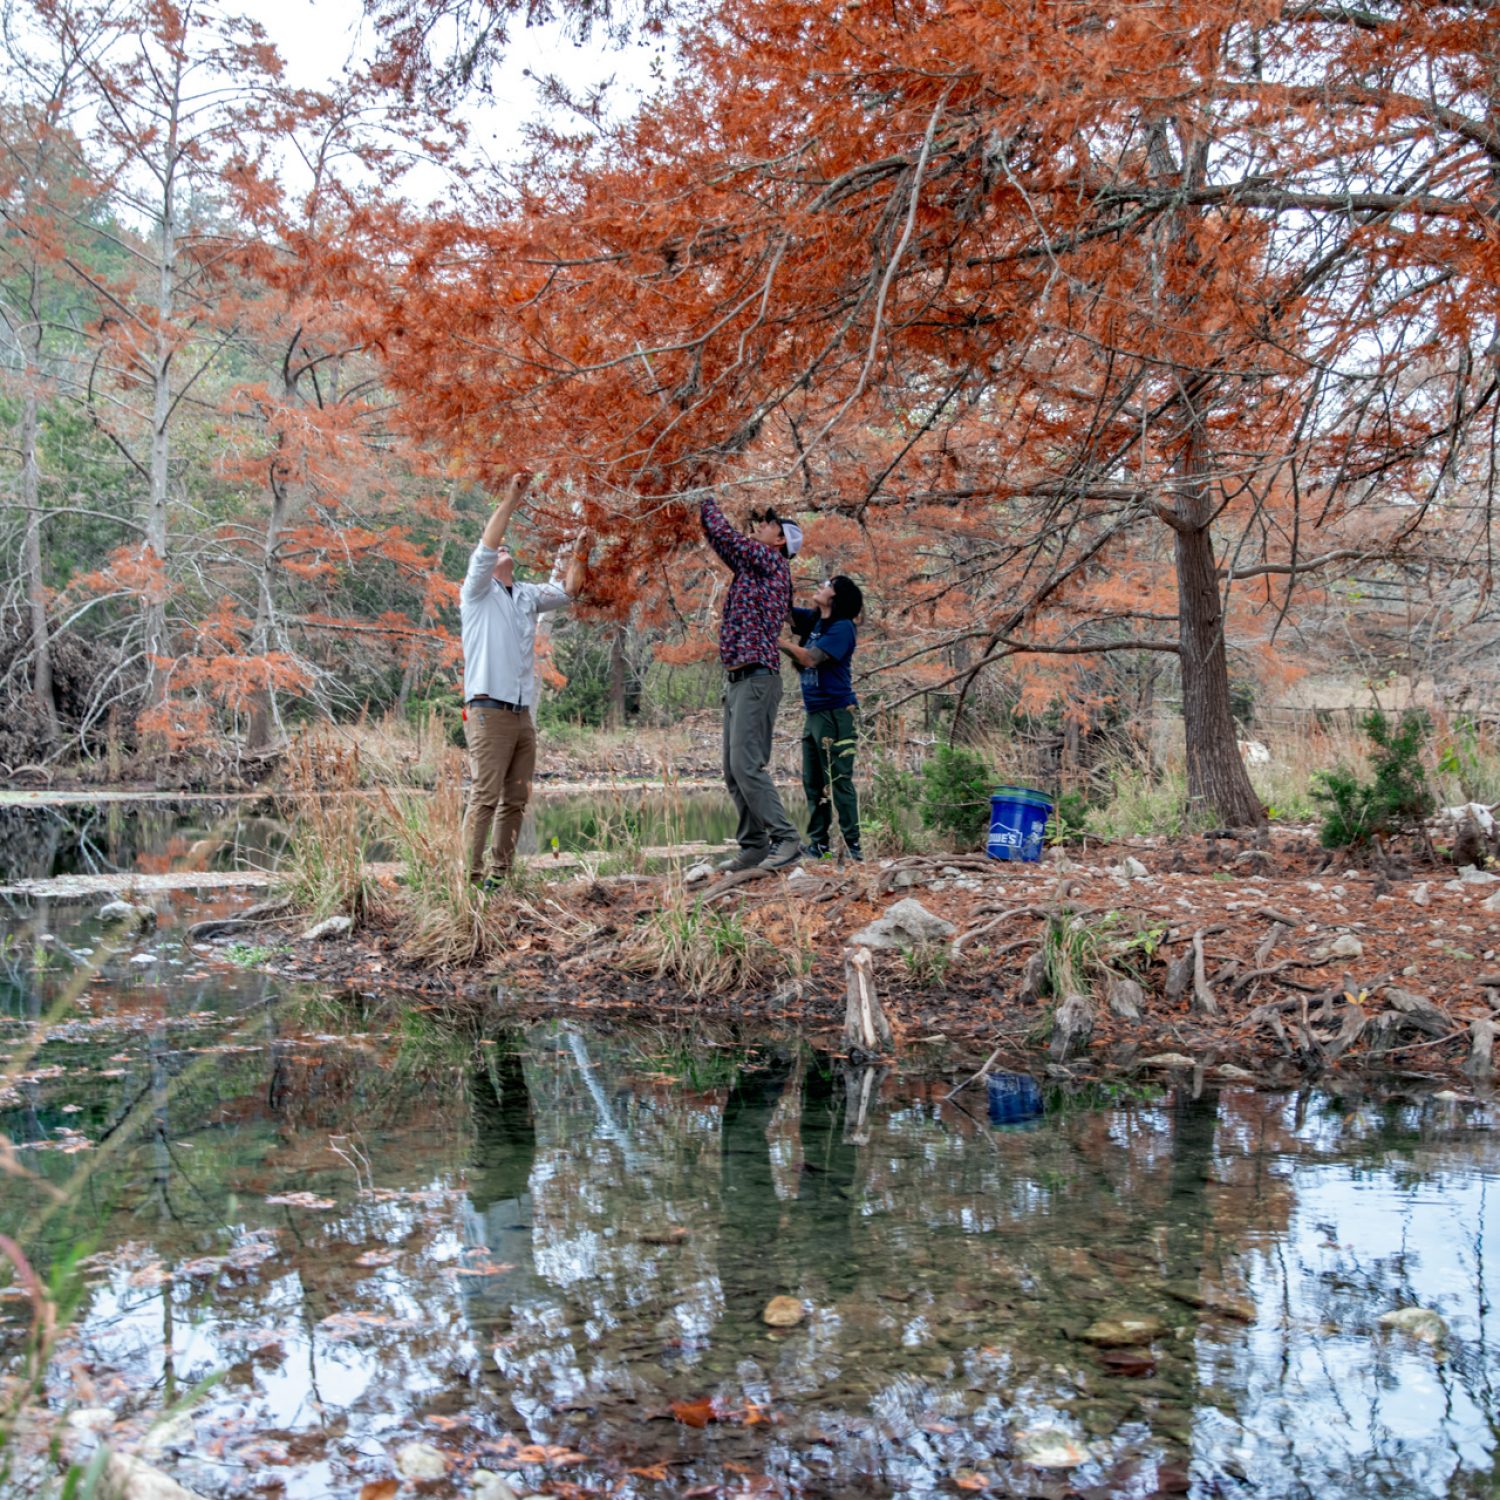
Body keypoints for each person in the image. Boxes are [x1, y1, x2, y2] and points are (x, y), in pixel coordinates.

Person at [459, 471, 587, 886]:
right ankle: (470, 882)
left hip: (521, 714)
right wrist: (512, 498)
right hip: (487, 709)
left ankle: (500, 877)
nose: (503, 550)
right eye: (499, 550)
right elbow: (487, 545)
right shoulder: (477, 592)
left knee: (515, 798)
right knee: (485, 795)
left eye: (508, 549)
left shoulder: (527, 595)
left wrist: (582, 548)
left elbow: (570, 591)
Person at [699, 495, 804, 871]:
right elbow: (723, 543)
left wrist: (703, 497)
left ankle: (787, 838)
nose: (761, 525)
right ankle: (754, 846)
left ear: (780, 542)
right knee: (732, 769)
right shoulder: (755, 568)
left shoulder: (771, 563)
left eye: (769, 524)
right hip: (740, 679)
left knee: (747, 766)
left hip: (758, 677)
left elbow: (724, 536)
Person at [782, 575, 864, 861]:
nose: (821, 585)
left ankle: (853, 848)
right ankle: (819, 846)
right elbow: (785, 611)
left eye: (828, 584)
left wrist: (774, 641)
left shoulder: (842, 628)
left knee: (839, 780)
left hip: (836, 713)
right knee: (813, 782)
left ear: (837, 597)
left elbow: (810, 658)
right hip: (814, 713)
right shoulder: (815, 620)